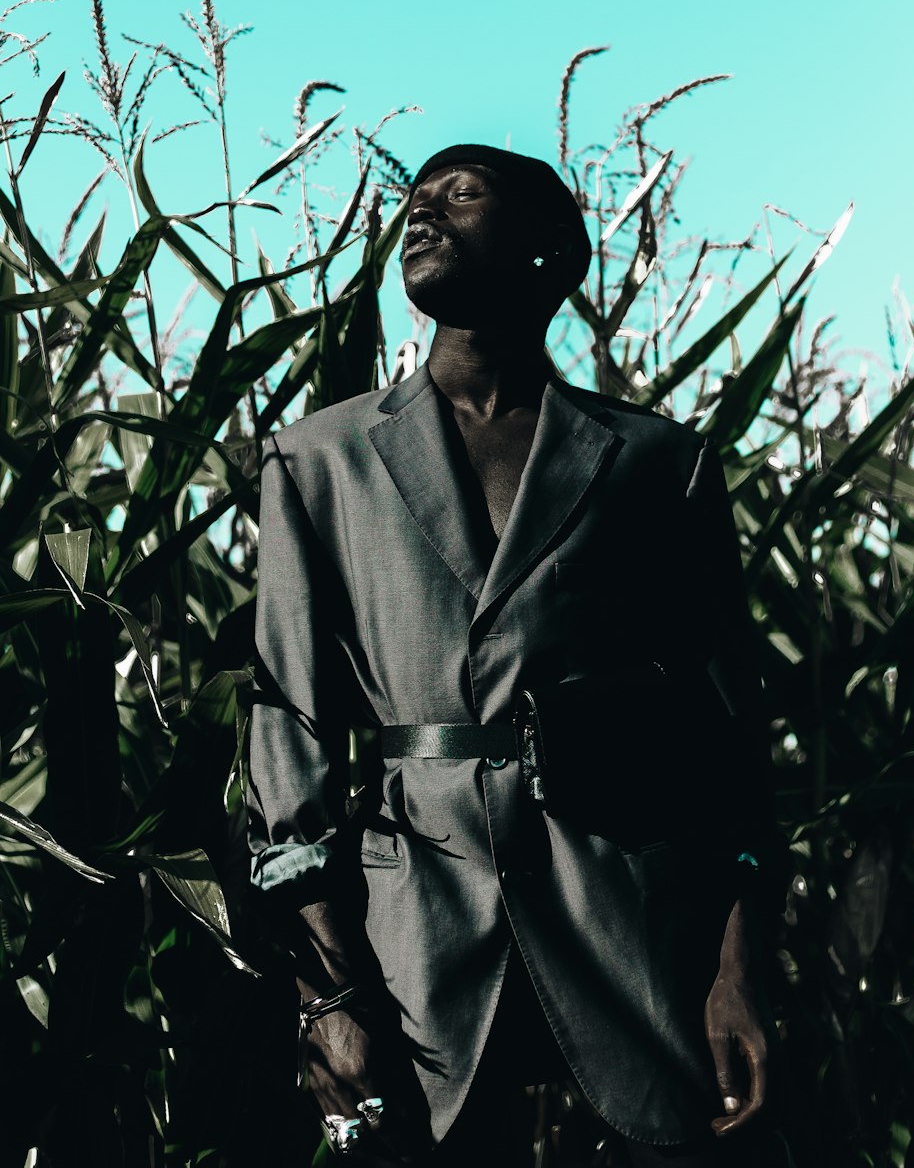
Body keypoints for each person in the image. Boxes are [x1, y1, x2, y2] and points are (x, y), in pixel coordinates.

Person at [247, 144, 781, 1167]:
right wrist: (329, 991)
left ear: (548, 250)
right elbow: (288, 735)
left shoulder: (658, 465)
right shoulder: (318, 460)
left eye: (461, 192)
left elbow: (729, 751)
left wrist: (738, 969)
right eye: (413, 198)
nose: (423, 211)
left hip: (629, 934)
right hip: (413, 943)